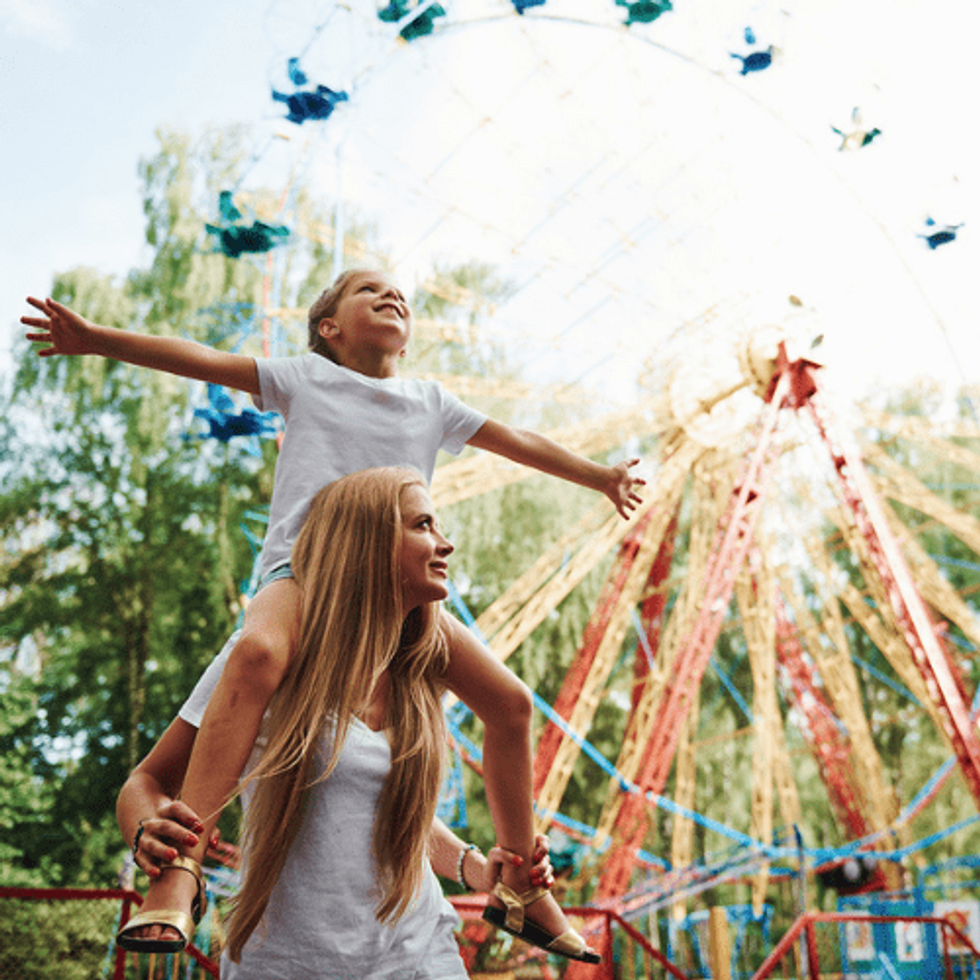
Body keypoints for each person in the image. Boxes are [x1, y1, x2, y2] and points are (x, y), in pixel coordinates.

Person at [24, 269, 640, 957]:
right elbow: (198, 358)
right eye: (367, 290)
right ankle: (181, 870)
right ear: (329, 328)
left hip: (387, 586)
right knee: (258, 653)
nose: (391, 294)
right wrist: (96, 339)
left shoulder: (430, 402)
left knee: (511, 702)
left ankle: (521, 885)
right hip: (304, 570)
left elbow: (518, 440)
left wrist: (601, 476)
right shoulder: (305, 378)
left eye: (398, 293)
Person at [116, 467, 595, 976]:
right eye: (423, 525)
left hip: (417, 956)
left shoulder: (415, 676)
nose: (446, 543)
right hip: (289, 962)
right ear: (367, 542)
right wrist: (150, 832)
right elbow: (145, 783)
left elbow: (385, 813)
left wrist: (479, 869)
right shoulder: (263, 657)